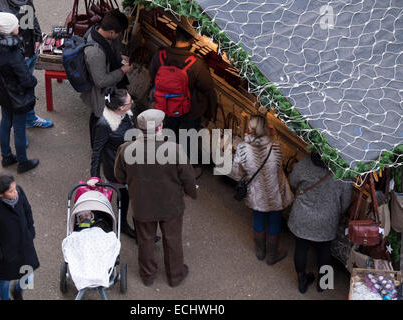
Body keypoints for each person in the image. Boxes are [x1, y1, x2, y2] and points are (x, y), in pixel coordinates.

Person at [114, 109, 197, 287]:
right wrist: (190, 192)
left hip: (142, 204)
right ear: (160, 127)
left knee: (145, 240)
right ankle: (175, 276)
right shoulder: (174, 150)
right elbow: (188, 177)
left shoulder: (126, 149)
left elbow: (119, 177)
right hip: (171, 204)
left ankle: (147, 276)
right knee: (173, 239)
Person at [149, 26, 217, 179]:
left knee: (166, 133)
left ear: (175, 34)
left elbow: (152, 74)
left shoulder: (160, 55)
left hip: (164, 105)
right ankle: (187, 171)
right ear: (192, 40)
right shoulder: (196, 63)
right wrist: (211, 112)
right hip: (189, 110)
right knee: (188, 139)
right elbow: (208, 88)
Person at [232, 108, 294, 266]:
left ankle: (260, 252)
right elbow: (279, 168)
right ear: (266, 129)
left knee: (258, 218)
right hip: (274, 192)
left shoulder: (242, 149)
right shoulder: (276, 147)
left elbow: (237, 172)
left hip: (256, 192)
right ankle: (272, 255)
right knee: (274, 221)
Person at [0, 12, 39, 173]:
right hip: (17, 94)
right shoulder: (12, 52)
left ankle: (6, 156)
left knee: (5, 121)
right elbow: (26, 78)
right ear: (8, 30)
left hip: (2, 88)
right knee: (19, 127)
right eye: (15, 25)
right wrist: (33, 82)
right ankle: (23, 162)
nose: (18, 26)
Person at [287, 152, 352, 293]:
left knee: (301, 247)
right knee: (324, 251)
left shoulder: (304, 163)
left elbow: (292, 181)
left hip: (302, 215)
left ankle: (302, 281)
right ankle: (323, 284)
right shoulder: (342, 172)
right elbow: (346, 202)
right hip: (327, 219)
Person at [0, 0, 54, 129]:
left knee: (27, 89)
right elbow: (1, 41)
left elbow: (33, 17)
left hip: (31, 51)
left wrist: (38, 37)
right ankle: (20, 128)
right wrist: (19, 55)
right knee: (18, 95)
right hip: (20, 59)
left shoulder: (26, 0)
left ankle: (30, 118)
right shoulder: (1, 9)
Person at [87, 87, 136, 239]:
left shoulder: (126, 114)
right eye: (129, 101)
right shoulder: (104, 124)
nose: (132, 102)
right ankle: (117, 224)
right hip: (116, 168)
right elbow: (97, 151)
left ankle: (128, 225)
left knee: (130, 196)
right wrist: (94, 176)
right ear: (121, 107)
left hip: (130, 164)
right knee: (122, 196)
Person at [0, 173, 39, 300]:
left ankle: (17, 291)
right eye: (11, 191)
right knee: (5, 281)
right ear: (0, 194)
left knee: (28, 277)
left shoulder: (19, 191)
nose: (16, 192)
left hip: (25, 246)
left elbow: (27, 210)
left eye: (15, 188)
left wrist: (31, 231)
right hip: (6, 254)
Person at [81, 9, 133, 147]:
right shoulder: (95, 52)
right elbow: (101, 81)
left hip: (104, 90)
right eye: (119, 33)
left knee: (99, 117)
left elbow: (109, 54)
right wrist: (122, 71)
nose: (119, 36)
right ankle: (98, 148)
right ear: (111, 32)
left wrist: (119, 58)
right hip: (99, 94)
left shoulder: (98, 32)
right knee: (99, 119)